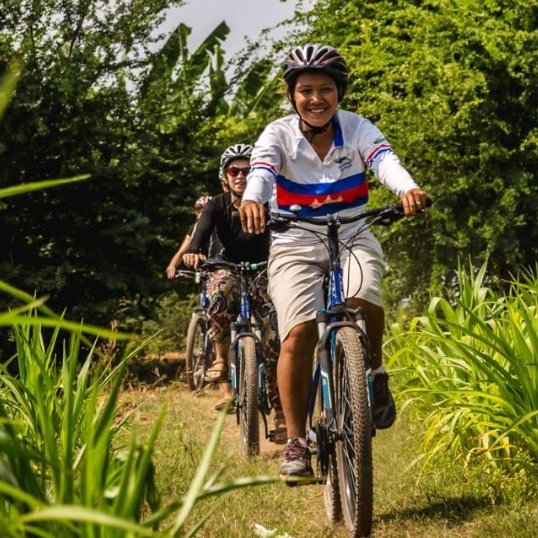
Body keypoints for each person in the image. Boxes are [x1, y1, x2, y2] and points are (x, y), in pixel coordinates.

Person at [239, 44, 428, 479]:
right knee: (298, 332)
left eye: (326, 89)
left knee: (365, 296)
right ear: (292, 96)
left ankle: (375, 373)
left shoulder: (358, 127)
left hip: (353, 231)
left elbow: (384, 160)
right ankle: (296, 440)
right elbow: (262, 172)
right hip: (295, 239)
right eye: (306, 90)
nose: (316, 98)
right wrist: (252, 200)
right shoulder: (277, 134)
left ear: (338, 93)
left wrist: (407, 189)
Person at [182, 144, 286, 440]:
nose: (241, 176)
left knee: (274, 337)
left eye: (248, 170)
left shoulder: (270, 203)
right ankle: (220, 359)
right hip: (227, 265)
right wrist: (193, 251)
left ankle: (281, 414)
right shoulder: (216, 204)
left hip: (264, 269)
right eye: (234, 171)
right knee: (219, 291)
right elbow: (200, 231)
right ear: (224, 177)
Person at [164, 196, 213, 279]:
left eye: (206, 210)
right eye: (199, 210)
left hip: (221, 264)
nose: (202, 213)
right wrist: (172, 266)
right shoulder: (195, 227)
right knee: (200, 282)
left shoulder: (221, 224)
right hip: (203, 268)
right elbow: (182, 251)